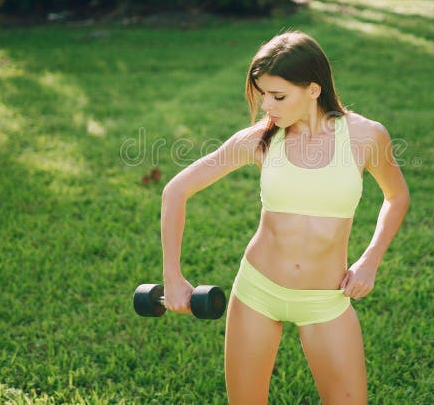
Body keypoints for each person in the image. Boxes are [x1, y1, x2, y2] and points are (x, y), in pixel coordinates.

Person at [160, 31, 410, 404]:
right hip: (258, 292)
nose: (267, 106)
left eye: (278, 96)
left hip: (326, 299)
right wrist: (173, 279)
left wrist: (370, 261)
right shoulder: (260, 140)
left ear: (313, 89)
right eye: (263, 95)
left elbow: (397, 196)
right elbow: (175, 191)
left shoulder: (365, 137)